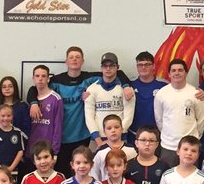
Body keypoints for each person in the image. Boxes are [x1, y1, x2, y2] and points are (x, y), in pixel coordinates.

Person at [33, 46, 97, 176]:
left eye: (78, 57)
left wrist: (125, 86)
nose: (74, 60)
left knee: (80, 173)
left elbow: (115, 74)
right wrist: (33, 102)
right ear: (66, 61)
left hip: (81, 136)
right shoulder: (56, 81)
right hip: (60, 137)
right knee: (61, 174)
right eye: (71, 57)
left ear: (82, 61)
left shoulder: (90, 78)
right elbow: (35, 88)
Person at [154, 58, 204, 164]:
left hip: (190, 147)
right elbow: (159, 120)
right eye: (173, 70)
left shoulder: (195, 93)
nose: (177, 73)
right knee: (168, 178)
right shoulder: (161, 94)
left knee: (190, 178)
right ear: (169, 74)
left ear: (186, 73)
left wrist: (194, 139)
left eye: (180, 70)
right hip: (168, 146)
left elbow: (202, 120)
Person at [84, 53, 136, 148]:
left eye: (111, 65)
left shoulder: (127, 90)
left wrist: (114, 138)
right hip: (97, 139)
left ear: (117, 67)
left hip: (120, 138)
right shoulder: (92, 89)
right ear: (101, 68)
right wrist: (98, 140)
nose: (108, 68)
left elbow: (128, 117)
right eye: (105, 66)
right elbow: (89, 117)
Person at [26, 65, 64, 159]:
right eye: (37, 76)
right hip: (31, 148)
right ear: (33, 79)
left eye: (43, 76)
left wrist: (54, 151)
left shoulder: (56, 99)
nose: (40, 79)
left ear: (48, 79)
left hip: (47, 149)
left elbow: (58, 127)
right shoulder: (31, 99)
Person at [128, 51, 166, 144]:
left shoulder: (163, 86)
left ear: (153, 66)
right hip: (133, 135)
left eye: (147, 64)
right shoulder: (129, 85)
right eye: (140, 65)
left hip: (157, 136)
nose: (143, 67)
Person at [0, 105, 25, 182]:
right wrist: (0, 168)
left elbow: (20, 152)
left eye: (8, 116)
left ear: (12, 116)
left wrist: (11, 168)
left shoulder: (17, 132)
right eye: (3, 116)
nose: (5, 118)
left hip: (12, 171)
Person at [92, 114, 137, 181]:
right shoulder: (100, 152)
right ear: (104, 132)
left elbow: (135, 171)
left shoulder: (131, 150)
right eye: (109, 128)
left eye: (116, 127)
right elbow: (94, 174)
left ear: (122, 129)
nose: (113, 130)